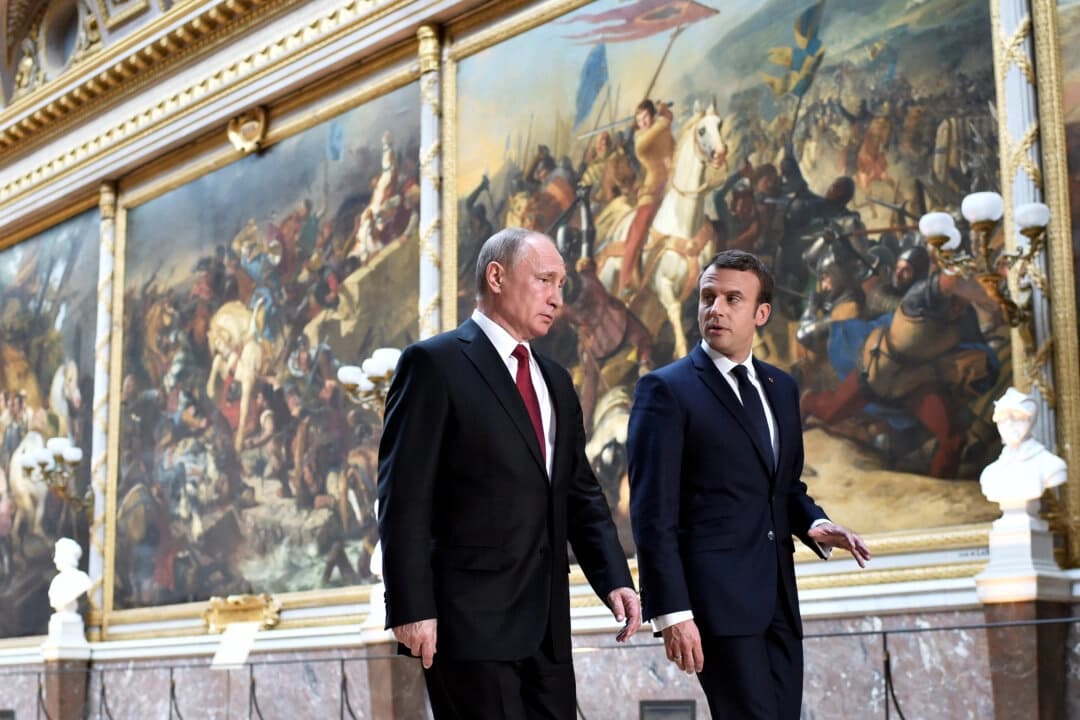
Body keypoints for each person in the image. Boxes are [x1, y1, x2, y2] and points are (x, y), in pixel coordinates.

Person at [377, 227, 641, 718]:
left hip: (547, 629)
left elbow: (578, 492)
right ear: (496, 277)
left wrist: (613, 577)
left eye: (561, 285)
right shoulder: (433, 364)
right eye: (545, 280)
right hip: (467, 627)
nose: (557, 298)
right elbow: (403, 498)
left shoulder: (556, 381)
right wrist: (412, 608)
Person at [627, 249, 871, 719]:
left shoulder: (782, 388)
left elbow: (784, 487)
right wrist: (673, 613)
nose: (715, 309)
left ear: (762, 313)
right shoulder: (666, 390)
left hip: (779, 598)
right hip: (716, 605)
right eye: (708, 297)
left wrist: (815, 523)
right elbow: (652, 513)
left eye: (732, 299)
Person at [618, 100, 675, 297]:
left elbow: (672, 150)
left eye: (645, 117)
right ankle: (625, 281)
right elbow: (645, 144)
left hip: (670, 186)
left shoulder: (662, 130)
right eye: (639, 120)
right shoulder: (640, 137)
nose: (642, 122)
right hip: (651, 191)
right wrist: (664, 119)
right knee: (638, 230)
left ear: (652, 116)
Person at [980, 387, 1066, 512]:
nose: (1009, 424)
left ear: (1031, 421)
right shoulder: (990, 474)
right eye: (1002, 419)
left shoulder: (1052, 466)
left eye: (1016, 418)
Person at [48, 537, 92, 615]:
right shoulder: (56, 581)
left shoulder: (82, 579)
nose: (55, 560)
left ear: (67, 556)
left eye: (58, 555)